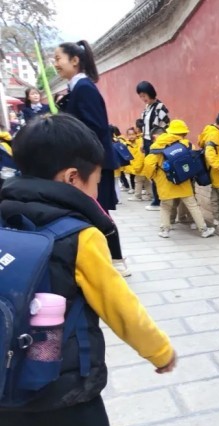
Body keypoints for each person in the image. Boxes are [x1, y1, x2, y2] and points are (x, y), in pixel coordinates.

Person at [0, 113, 177, 426]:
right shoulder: (79, 235)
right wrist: (160, 351)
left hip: (3, 389)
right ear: (72, 177)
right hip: (63, 389)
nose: (98, 190)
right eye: (97, 180)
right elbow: (120, 307)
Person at [53, 40, 131, 277]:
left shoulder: (84, 88)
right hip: (88, 163)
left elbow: (95, 127)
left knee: (100, 211)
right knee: (94, 211)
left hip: (94, 164)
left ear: (74, 60)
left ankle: (117, 260)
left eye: (58, 59)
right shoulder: (77, 89)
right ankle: (107, 258)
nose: (55, 64)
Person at [143, 119, 215, 239]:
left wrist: (153, 177)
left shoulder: (157, 144)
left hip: (165, 182)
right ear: (184, 133)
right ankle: (203, 230)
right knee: (192, 205)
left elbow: (149, 164)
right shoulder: (187, 145)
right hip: (183, 181)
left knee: (165, 207)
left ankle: (165, 230)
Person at [136, 81, 170, 212]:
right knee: (151, 170)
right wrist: (143, 143)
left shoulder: (159, 107)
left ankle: (158, 200)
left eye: (144, 95)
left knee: (156, 170)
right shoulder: (147, 108)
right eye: (141, 96)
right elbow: (144, 128)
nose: (143, 99)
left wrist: (160, 142)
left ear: (151, 93)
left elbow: (166, 125)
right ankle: (157, 198)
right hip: (147, 142)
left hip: (156, 143)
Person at [125, 127, 147, 201]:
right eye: (129, 135)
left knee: (138, 181)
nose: (131, 136)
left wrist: (137, 167)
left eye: (133, 134)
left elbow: (140, 156)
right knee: (147, 181)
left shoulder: (140, 142)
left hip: (141, 166)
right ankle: (150, 195)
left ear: (136, 135)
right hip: (139, 166)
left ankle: (137, 196)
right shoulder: (128, 144)